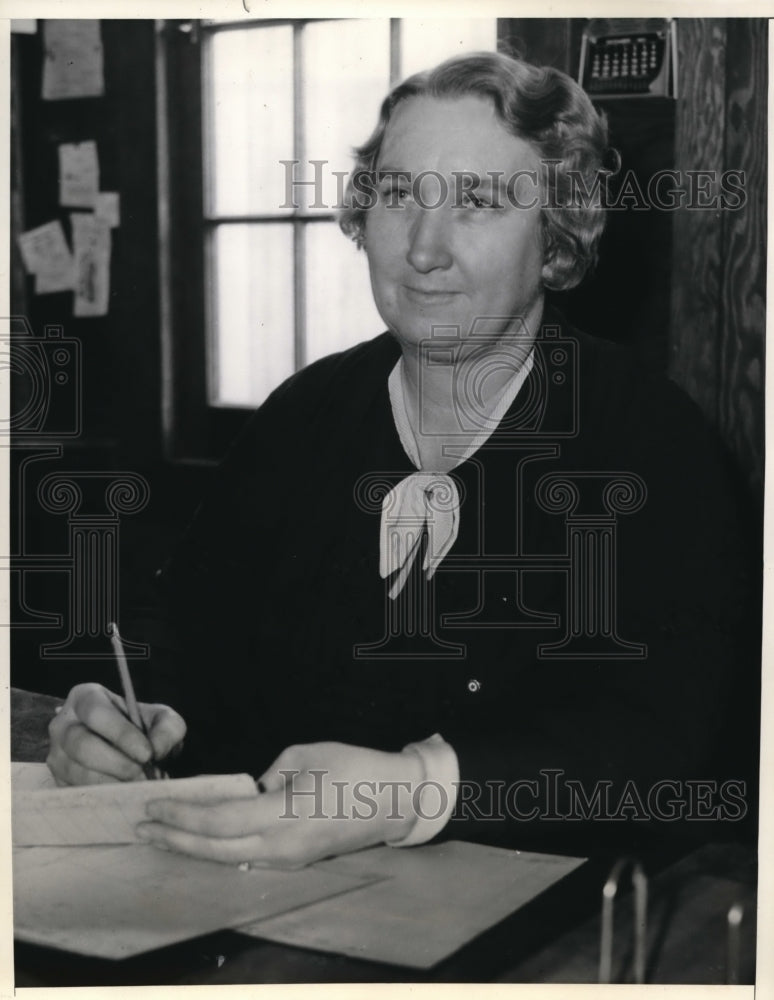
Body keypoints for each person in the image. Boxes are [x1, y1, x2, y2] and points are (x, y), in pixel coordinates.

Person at [46, 52, 755, 867]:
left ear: (556, 236)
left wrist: (407, 790)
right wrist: (127, 719)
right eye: (397, 194)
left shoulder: (651, 442)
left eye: (478, 202)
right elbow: (185, 633)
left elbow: (662, 743)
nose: (423, 248)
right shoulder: (303, 415)